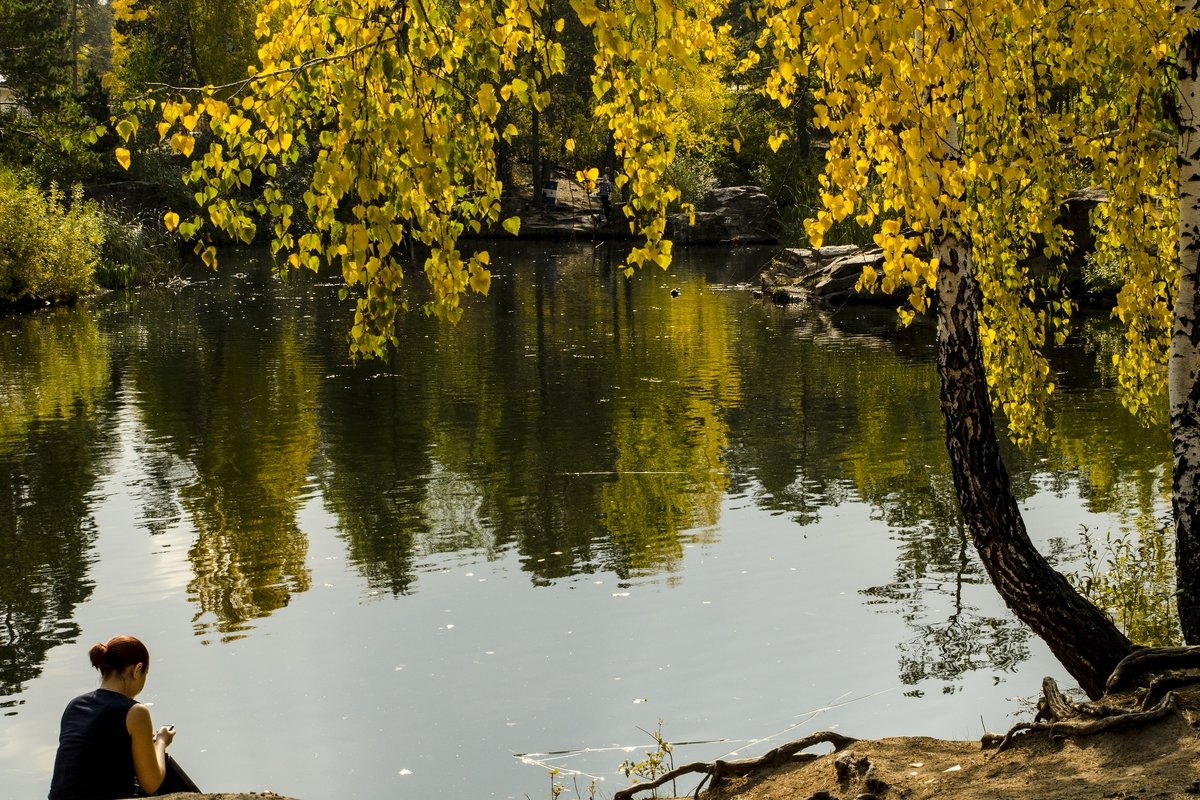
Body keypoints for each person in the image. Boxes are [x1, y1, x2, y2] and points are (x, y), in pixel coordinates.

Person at [48, 635, 197, 799]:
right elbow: (150, 783)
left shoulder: (74, 705)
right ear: (137, 670)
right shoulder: (136, 711)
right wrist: (161, 741)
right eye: (145, 674)